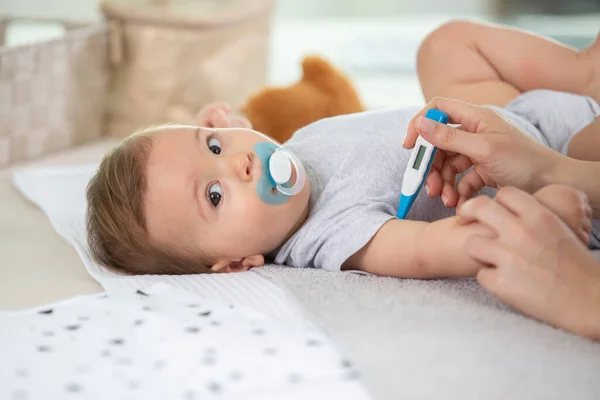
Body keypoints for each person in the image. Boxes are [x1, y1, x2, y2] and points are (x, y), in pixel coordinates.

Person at [85, 22, 598, 284]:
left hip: (498, 113)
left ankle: (582, 74)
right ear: (238, 262)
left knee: (443, 46)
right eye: (214, 195)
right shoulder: (331, 236)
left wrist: (227, 130)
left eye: (215, 148)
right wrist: (530, 218)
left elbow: (251, 149)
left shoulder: (281, 158)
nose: (238, 163)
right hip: (556, 158)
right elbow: (428, 249)